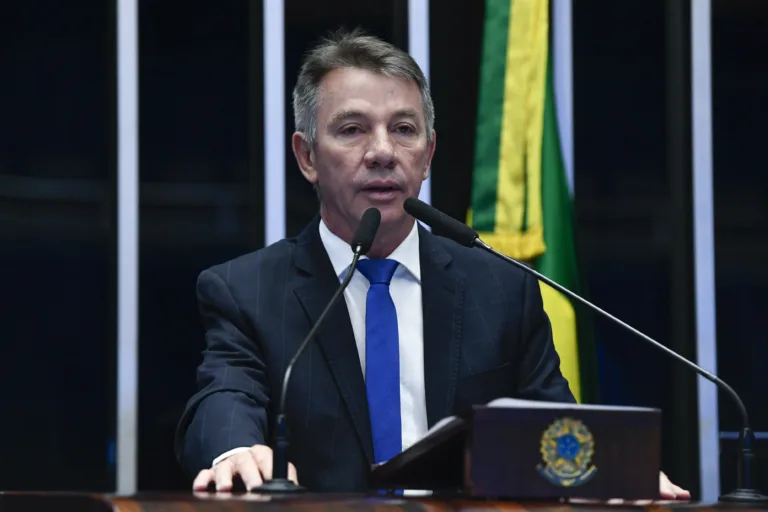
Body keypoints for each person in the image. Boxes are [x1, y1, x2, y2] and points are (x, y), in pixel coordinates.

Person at [175, 29, 689, 500]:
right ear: (307, 156)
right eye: (352, 129)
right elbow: (225, 394)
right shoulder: (248, 290)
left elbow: (557, 431)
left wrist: (614, 470)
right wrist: (233, 448)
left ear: (428, 154)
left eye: (403, 129)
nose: (382, 152)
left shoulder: (501, 288)